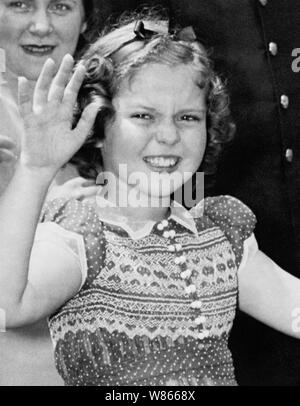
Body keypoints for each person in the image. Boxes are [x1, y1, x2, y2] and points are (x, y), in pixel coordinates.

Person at [2, 13, 300, 386]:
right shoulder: (82, 238)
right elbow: (7, 307)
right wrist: (34, 170)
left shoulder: (219, 236)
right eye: (144, 115)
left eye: (188, 117)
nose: (168, 135)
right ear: (97, 127)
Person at [0, 0, 101, 385]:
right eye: (20, 4)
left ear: (86, 17)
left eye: (60, 6)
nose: (41, 26)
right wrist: (46, 213)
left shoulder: (114, 107)